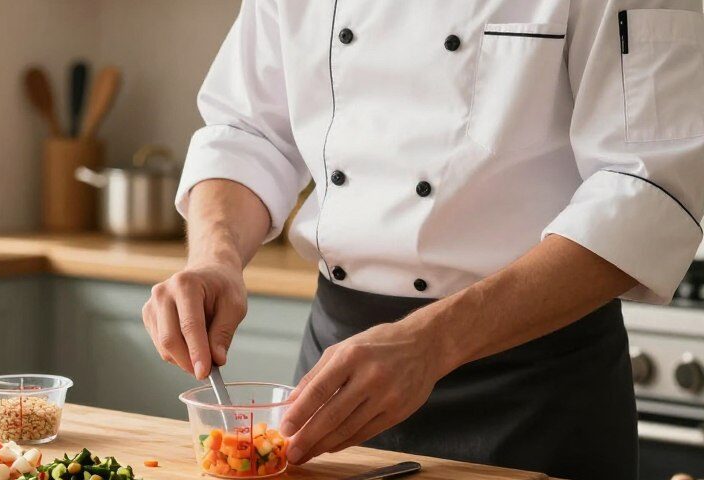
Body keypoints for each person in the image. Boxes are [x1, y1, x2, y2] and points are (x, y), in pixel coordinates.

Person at [141, 2, 704, 479]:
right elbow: (248, 130)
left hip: (535, 389)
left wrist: (434, 343)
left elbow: (645, 186)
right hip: (335, 375)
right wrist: (215, 256)